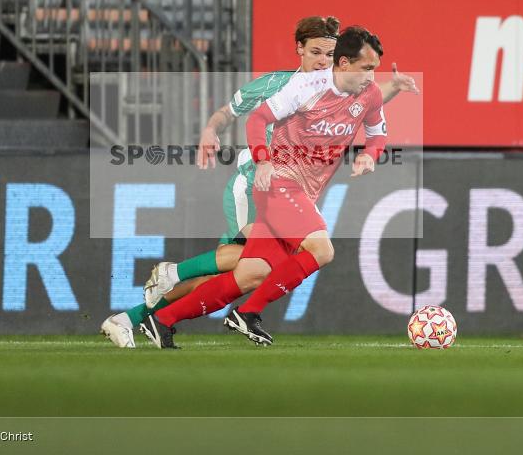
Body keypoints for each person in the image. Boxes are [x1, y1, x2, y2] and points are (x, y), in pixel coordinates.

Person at [140, 26, 388, 349]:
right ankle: (247, 312)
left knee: (250, 275)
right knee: (323, 250)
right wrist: (263, 160)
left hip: (304, 193)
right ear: (343, 63)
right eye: (366, 68)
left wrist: (370, 155)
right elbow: (256, 119)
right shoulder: (306, 87)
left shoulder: (370, 95)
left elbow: (377, 131)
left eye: (375, 69)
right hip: (279, 183)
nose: (371, 76)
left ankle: (162, 321)